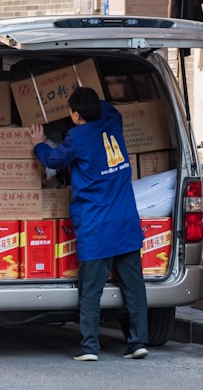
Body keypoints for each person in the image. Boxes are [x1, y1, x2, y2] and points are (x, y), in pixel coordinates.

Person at [27, 87, 148, 362]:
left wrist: (39, 143)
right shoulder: (113, 122)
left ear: (76, 115)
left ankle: (90, 347)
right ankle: (138, 341)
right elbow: (108, 108)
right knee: (134, 286)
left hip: (97, 225)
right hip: (126, 220)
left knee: (91, 289)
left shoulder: (78, 137)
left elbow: (53, 160)